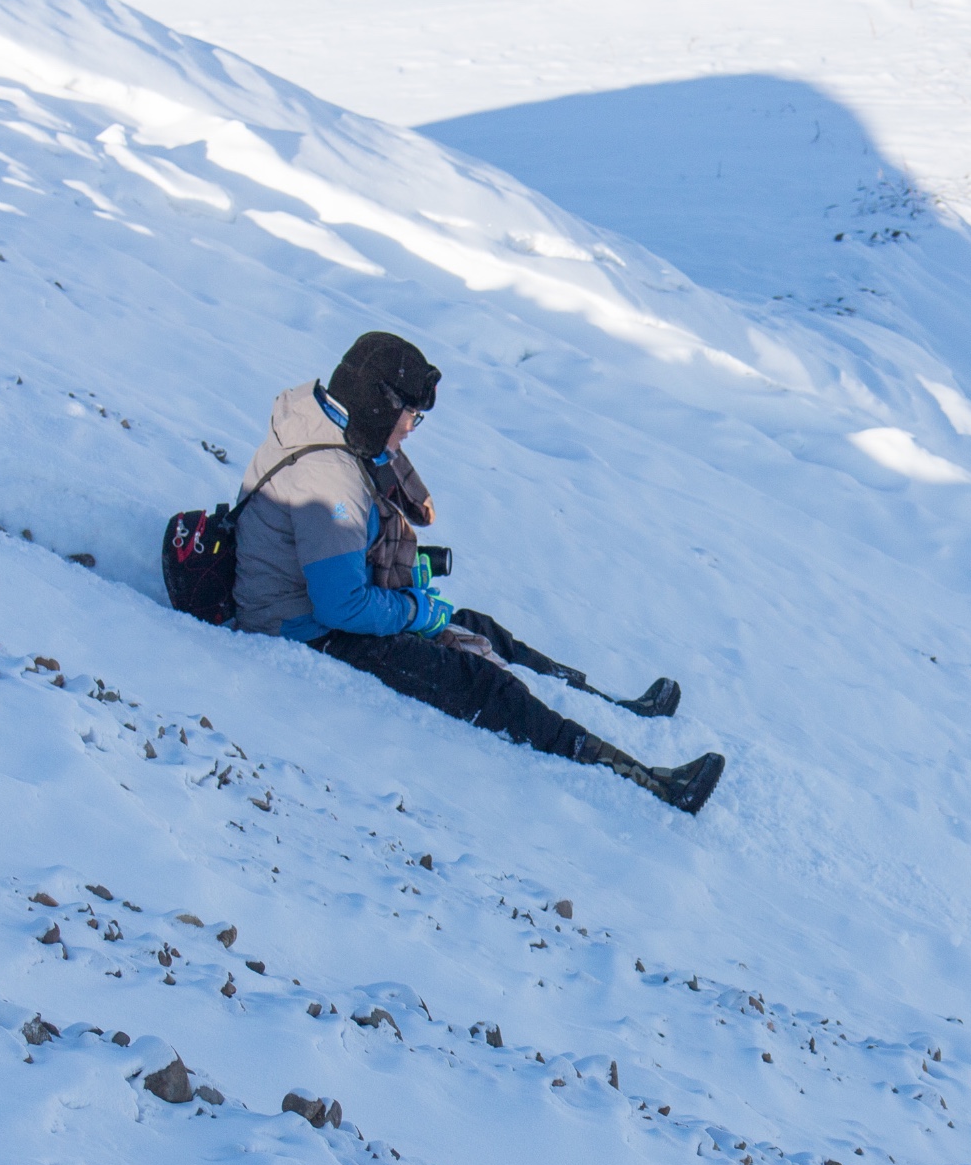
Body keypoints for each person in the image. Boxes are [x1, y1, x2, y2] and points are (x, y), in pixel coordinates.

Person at [231, 332, 725, 813]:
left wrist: (413, 596)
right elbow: (341, 606)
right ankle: (643, 780)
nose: (408, 431)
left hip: (311, 608)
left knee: (477, 627)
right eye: (410, 417)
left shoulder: (324, 419)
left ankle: (609, 704)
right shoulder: (329, 481)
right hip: (301, 631)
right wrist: (414, 610)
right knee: (477, 683)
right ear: (377, 404)